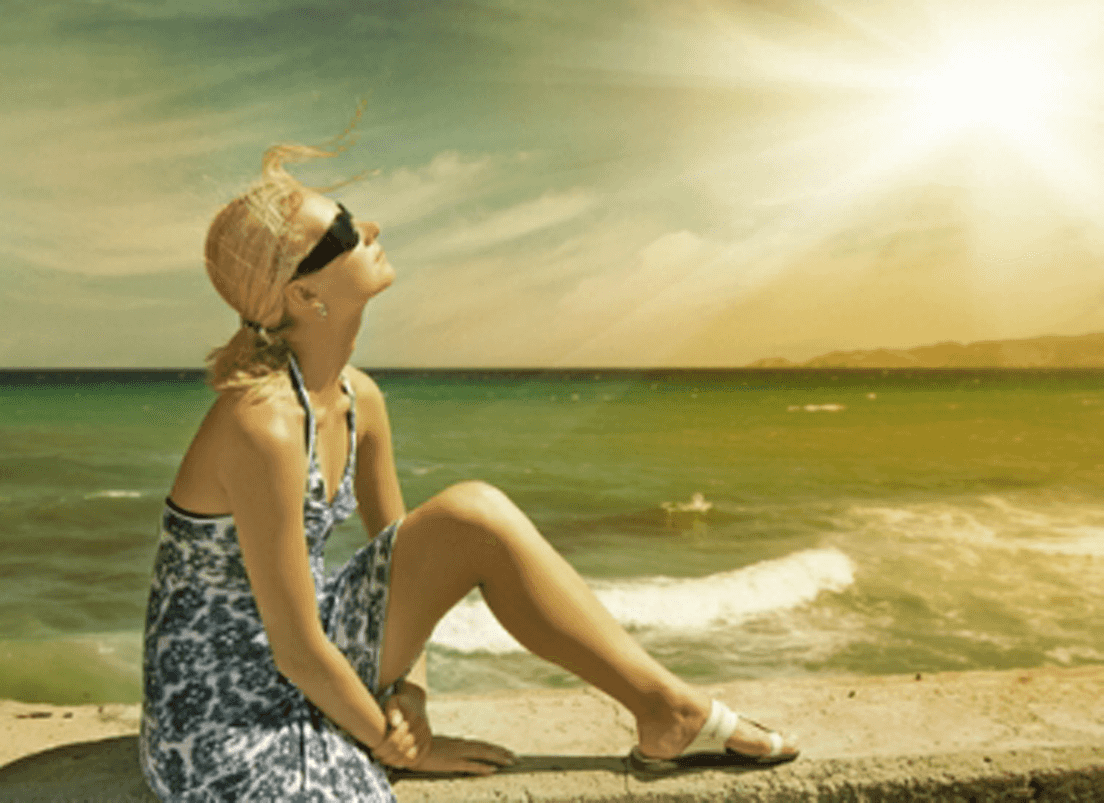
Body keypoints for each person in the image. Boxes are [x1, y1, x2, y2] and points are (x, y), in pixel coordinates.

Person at [139, 143, 799, 801]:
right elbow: (296, 649)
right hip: (224, 694)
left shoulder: (357, 396)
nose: (369, 229)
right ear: (305, 292)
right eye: (341, 231)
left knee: (473, 514)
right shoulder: (264, 422)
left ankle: (668, 711)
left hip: (309, 644)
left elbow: (402, 558)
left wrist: (412, 694)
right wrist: (395, 743)